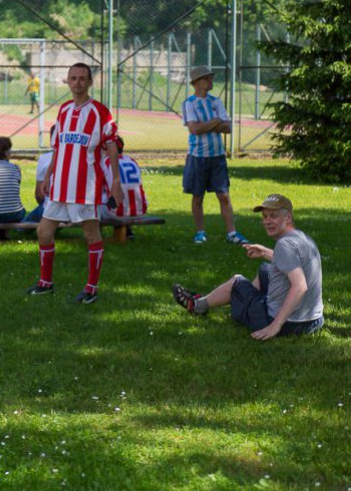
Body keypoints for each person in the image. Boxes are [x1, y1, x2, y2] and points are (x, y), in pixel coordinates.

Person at [26, 62, 123, 304]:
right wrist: (48, 176)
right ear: (67, 82)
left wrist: (116, 182)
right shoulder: (64, 110)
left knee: (91, 234)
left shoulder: (100, 112)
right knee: (44, 231)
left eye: (82, 78)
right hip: (60, 185)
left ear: (90, 82)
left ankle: (92, 288)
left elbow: (111, 145)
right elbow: (58, 147)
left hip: (85, 186)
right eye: (73, 78)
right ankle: (45, 282)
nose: (77, 82)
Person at [172, 194, 323, 340]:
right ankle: (247, 303)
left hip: (286, 324)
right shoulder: (303, 238)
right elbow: (293, 262)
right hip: (313, 321)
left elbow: (300, 286)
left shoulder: (284, 245)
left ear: (288, 218)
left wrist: (275, 326)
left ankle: (197, 305)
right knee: (265, 269)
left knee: (237, 282)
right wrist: (264, 251)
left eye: (273, 216)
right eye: (265, 217)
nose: (267, 221)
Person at [183, 65, 249, 245]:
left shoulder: (216, 102)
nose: (210, 81)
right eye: (207, 78)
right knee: (197, 197)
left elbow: (227, 127)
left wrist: (208, 124)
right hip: (198, 157)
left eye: (211, 78)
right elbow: (194, 129)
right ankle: (200, 232)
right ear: (196, 82)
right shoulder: (189, 103)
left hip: (217, 157)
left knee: (224, 195)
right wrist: (215, 121)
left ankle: (232, 233)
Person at [100, 136, 148, 239]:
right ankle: (129, 230)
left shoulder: (105, 162)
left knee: (96, 198)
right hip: (140, 211)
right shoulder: (132, 160)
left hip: (116, 213)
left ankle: (96, 233)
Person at [24, 124, 56, 224]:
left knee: (22, 226)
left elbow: (39, 195)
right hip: (77, 207)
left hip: (51, 206)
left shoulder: (45, 159)